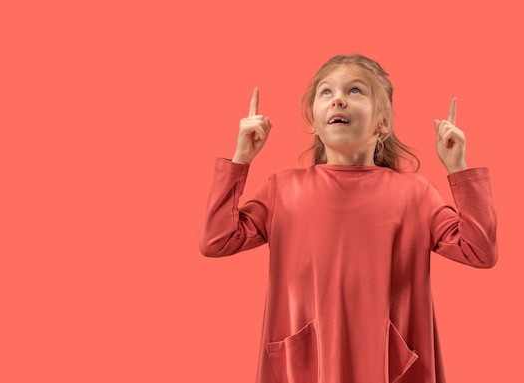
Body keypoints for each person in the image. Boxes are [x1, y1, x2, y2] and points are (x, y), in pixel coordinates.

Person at [199, 54, 498, 383]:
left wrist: (458, 168)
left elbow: (479, 250)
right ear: (314, 121)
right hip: (306, 367)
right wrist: (241, 159)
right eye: (326, 92)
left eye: (355, 91)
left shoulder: (416, 194)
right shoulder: (282, 190)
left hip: (390, 368)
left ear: (382, 122)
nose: (338, 98)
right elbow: (217, 240)